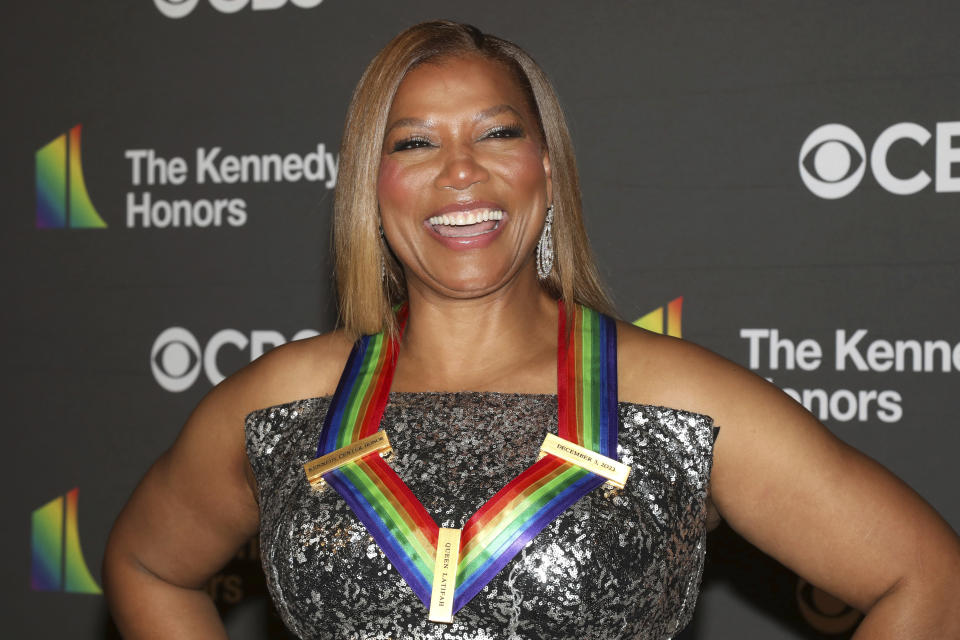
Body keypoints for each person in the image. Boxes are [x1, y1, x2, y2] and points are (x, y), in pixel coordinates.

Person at [104, 20, 960, 640]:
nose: (461, 170)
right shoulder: (281, 402)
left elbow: (925, 580)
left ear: (545, 171)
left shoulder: (679, 400)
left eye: (497, 133)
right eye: (413, 144)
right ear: (371, 186)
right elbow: (148, 567)